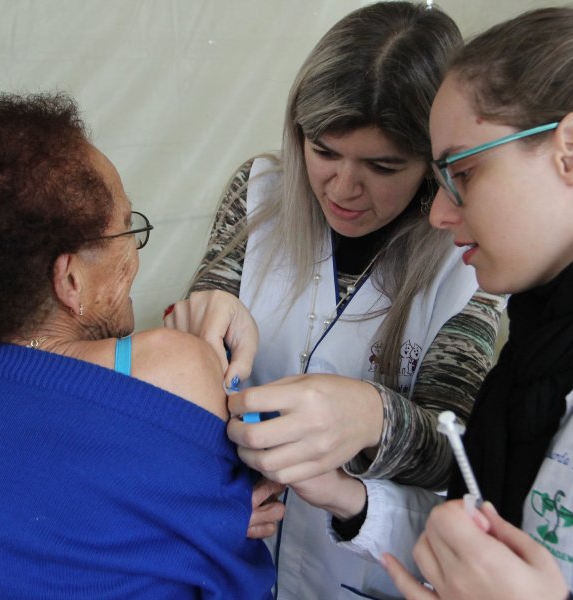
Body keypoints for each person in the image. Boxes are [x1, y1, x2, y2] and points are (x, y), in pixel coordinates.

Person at [330, 7, 573, 599]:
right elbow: (502, 552)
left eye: (463, 173)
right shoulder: (543, 342)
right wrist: (346, 498)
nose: (439, 213)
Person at [165, 2, 504, 598]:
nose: (344, 189)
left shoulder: (471, 246)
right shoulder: (259, 192)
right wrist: (205, 323)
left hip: (371, 567)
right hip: (241, 552)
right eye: (323, 152)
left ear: (433, 162)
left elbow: (456, 453)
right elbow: (204, 339)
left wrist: (370, 416)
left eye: (382, 165)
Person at [0, 92, 274, 599]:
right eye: (127, 228)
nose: (135, 255)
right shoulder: (175, 363)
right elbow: (242, 581)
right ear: (71, 280)